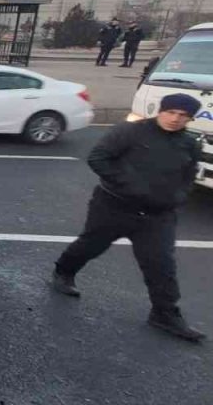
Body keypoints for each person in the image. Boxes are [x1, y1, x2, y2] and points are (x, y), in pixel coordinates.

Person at [51, 93, 205, 342]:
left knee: (161, 264)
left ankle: (165, 314)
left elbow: (189, 175)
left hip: (158, 215)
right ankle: (64, 271)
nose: (175, 119)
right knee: (91, 245)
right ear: (161, 111)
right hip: (114, 206)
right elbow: (98, 158)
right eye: (171, 112)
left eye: (183, 115)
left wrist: (179, 196)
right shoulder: (131, 132)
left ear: (189, 119)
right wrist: (131, 186)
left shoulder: (190, 143)